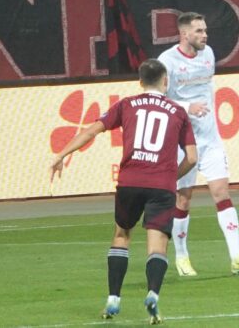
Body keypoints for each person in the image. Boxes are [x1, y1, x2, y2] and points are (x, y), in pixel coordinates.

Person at [49, 58, 197, 324]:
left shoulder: (126, 104)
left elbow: (91, 131)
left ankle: (113, 298)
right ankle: (152, 294)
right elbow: (193, 158)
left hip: (130, 182)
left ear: (140, 82)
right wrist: (170, 177)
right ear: (166, 81)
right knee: (158, 245)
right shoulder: (178, 111)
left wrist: (61, 154)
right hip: (161, 186)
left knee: (121, 235)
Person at [157, 12, 239, 277]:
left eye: (205, 30)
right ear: (184, 34)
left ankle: (236, 257)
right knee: (183, 199)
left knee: (221, 192)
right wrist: (188, 107)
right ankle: (182, 257)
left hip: (210, 139)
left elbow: (206, 90)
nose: (205, 35)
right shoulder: (167, 61)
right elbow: (159, 99)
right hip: (181, 142)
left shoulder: (208, 54)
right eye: (199, 31)